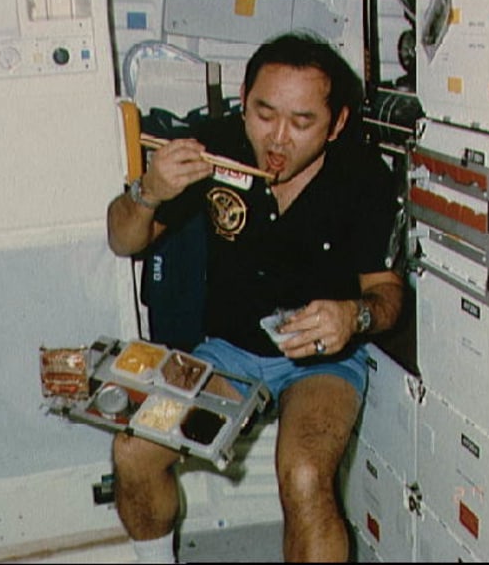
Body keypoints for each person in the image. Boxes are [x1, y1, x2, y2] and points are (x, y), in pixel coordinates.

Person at [106, 30, 403, 563]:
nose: (279, 139)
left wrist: (353, 316)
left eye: (303, 122)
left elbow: (386, 294)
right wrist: (147, 191)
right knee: (135, 451)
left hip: (322, 360)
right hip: (230, 351)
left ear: (336, 124)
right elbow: (123, 239)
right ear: (244, 103)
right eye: (264, 115)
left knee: (307, 475)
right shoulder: (212, 146)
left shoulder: (363, 179)